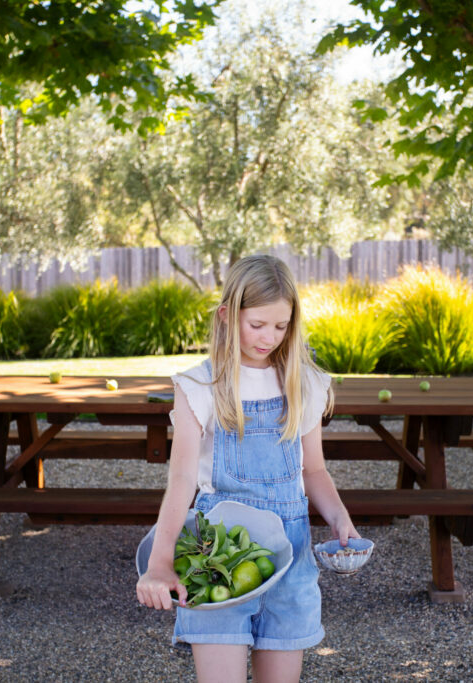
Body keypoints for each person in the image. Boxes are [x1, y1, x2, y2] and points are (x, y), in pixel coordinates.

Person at [136, 254, 359, 682]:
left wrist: (339, 517)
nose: (269, 338)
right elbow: (181, 479)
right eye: (257, 325)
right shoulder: (198, 386)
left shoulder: (305, 382)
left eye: (281, 326)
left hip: (289, 560)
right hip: (214, 555)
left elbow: (313, 471)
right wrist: (160, 561)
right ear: (226, 315)